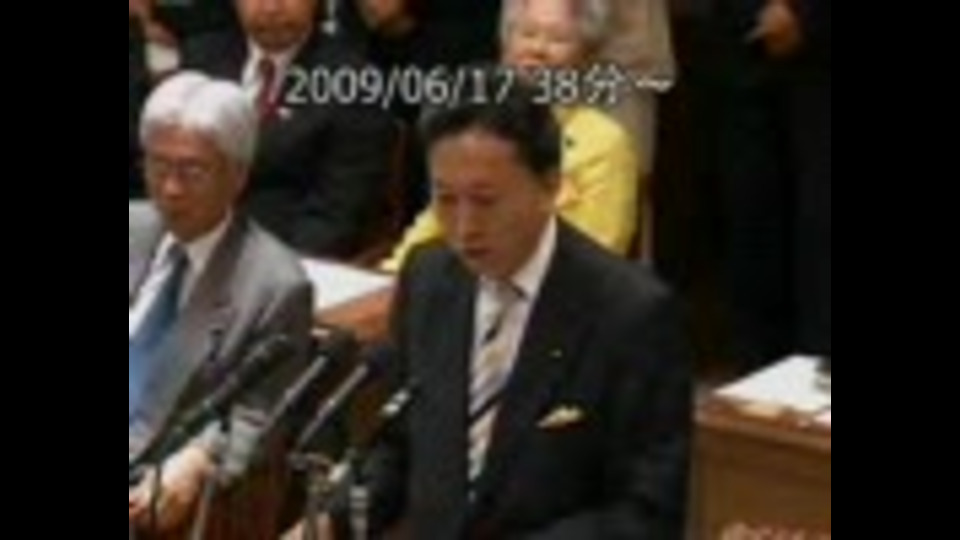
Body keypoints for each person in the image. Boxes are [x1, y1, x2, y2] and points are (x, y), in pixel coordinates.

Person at [287, 69, 691, 539]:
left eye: (485, 201)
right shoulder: (429, 277)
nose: (464, 228)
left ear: (550, 187)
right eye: (445, 199)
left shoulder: (631, 312)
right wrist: (328, 523)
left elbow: (647, 512)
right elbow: (398, 446)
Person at [128, 71, 313, 535]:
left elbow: (258, 414)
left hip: (145, 472)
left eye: (192, 172)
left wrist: (197, 458)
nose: (170, 188)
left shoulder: (275, 285)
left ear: (238, 175)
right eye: (158, 166)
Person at [381, 0, 642, 271]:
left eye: (557, 39)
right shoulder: (477, 125)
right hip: (460, 284)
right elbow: (434, 223)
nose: (537, 49)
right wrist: (393, 274)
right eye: (527, 34)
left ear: (586, 57)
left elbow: (597, 258)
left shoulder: (605, 143)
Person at [182, 0, 396, 258]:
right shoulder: (201, 58)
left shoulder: (354, 81)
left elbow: (336, 211)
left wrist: (278, 270)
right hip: (189, 239)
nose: (271, 7)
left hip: (281, 252)